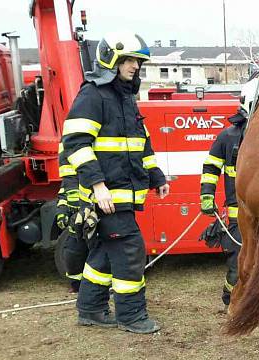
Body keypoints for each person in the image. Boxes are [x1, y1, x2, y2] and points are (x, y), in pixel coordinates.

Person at [60, 32, 169, 334]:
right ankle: (131, 315)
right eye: (129, 60)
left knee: (104, 253)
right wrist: (97, 185)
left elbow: (140, 145)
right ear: (112, 60)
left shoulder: (125, 98)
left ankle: (91, 309)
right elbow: (76, 143)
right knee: (130, 250)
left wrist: (156, 176)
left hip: (122, 195)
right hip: (105, 197)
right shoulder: (93, 95)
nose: (135, 66)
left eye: (137, 61)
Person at [199, 78, 259, 321]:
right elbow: (211, 167)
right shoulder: (228, 137)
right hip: (237, 214)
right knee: (239, 262)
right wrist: (207, 196)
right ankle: (231, 299)